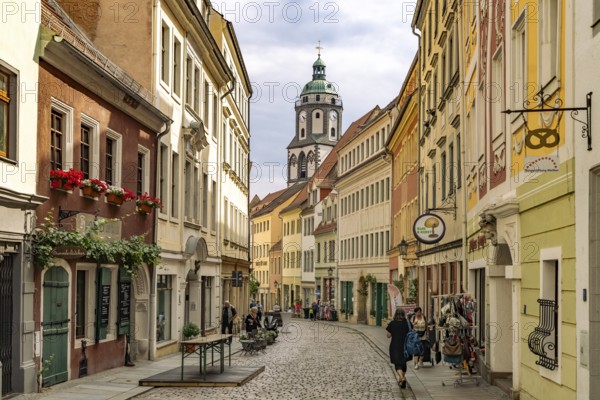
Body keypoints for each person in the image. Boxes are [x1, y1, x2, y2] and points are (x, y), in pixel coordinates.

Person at [386, 308, 410, 389]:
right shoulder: (407, 323)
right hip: (406, 346)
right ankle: (402, 378)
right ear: (403, 314)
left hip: (395, 346)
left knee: (397, 364)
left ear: (396, 314)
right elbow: (411, 332)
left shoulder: (392, 323)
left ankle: (402, 378)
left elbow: (388, 335)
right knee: (403, 363)